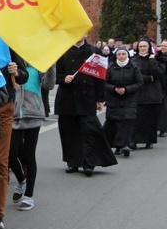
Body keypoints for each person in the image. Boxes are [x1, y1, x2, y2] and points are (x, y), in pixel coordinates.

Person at [55, 38, 117, 176]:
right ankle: (73, 162)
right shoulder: (63, 51)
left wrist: (100, 98)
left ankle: (89, 163)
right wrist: (64, 78)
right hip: (68, 98)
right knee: (69, 132)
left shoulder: (94, 51)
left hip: (87, 98)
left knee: (89, 131)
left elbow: (100, 77)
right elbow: (57, 75)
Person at [0, 50, 27, 229]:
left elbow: (23, 76)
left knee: (0, 163)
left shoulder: (6, 44)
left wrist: (16, 71)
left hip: (3, 107)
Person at [8, 64, 54, 211]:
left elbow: (49, 85)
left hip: (33, 113)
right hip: (13, 115)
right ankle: (22, 180)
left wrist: (51, 67)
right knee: (10, 154)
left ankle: (29, 195)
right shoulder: (12, 63)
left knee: (29, 155)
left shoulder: (37, 65)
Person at [103, 47, 143, 157]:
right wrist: (114, 89)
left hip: (129, 99)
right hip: (114, 99)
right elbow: (105, 83)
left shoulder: (134, 67)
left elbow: (139, 83)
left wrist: (126, 89)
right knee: (114, 122)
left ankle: (125, 145)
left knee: (127, 122)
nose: (121, 56)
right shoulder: (111, 67)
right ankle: (117, 146)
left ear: (127, 55)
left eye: (123, 54)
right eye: (119, 54)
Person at [132, 39, 164, 149]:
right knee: (137, 119)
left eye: (145, 46)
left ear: (149, 47)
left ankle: (149, 140)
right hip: (138, 92)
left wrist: (152, 61)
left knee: (150, 119)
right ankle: (134, 140)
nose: (142, 48)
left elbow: (158, 74)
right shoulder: (133, 60)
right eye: (140, 46)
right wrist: (148, 78)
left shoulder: (155, 60)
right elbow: (134, 76)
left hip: (152, 93)